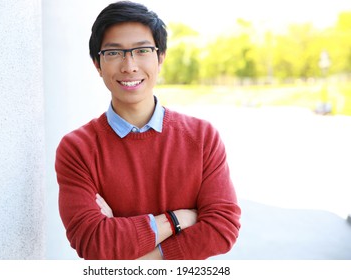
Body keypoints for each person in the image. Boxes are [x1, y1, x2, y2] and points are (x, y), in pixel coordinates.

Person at [55, 0, 241, 260]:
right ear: (97, 65)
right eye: (113, 53)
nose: (129, 66)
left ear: (160, 57)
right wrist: (177, 220)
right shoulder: (77, 148)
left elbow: (222, 230)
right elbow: (92, 241)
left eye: (142, 50)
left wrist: (139, 262)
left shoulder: (202, 137)